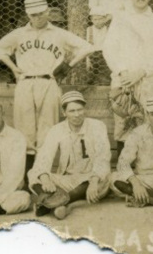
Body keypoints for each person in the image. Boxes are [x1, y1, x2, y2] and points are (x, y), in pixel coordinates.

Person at [0, 0, 94, 168]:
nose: (37, 18)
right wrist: (13, 67)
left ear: (47, 12)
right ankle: (26, 174)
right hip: (25, 82)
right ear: (27, 15)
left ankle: (42, 173)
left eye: (40, 13)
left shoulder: (59, 34)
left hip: (49, 81)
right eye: (33, 15)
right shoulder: (19, 33)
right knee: (24, 128)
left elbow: (87, 47)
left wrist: (68, 65)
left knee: (49, 128)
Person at [102, 0, 153, 151]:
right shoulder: (119, 20)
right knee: (123, 124)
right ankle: (124, 172)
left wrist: (142, 72)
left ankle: (145, 170)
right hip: (123, 81)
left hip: (148, 80)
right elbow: (109, 49)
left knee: (147, 124)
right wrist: (122, 72)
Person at [28, 91, 111, 220]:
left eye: (80, 110)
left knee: (105, 179)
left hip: (90, 178)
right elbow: (44, 156)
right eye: (72, 111)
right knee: (34, 173)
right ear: (64, 112)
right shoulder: (56, 130)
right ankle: (60, 203)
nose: (77, 115)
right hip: (66, 180)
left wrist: (94, 181)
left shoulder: (97, 126)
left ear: (85, 109)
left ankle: (51, 202)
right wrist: (45, 178)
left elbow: (103, 157)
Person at [85, 7, 112, 85]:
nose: (97, 22)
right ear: (91, 20)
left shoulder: (108, 29)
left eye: (100, 19)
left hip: (105, 55)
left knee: (105, 77)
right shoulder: (89, 29)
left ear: (104, 19)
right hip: (93, 55)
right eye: (95, 19)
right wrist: (88, 61)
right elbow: (88, 45)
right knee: (91, 77)